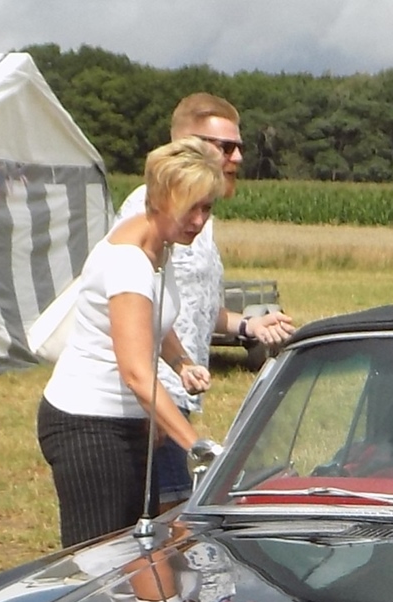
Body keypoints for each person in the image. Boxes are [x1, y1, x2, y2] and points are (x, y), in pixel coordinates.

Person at [37, 136, 226, 548]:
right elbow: (137, 374)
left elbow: (150, 319)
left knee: (138, 553)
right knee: (97, 561)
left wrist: (180, 363)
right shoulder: (128, 263)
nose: (198, 221)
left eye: (207, 208)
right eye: (190, 208)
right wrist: (199, 448)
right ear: (158, 199)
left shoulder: (160, 245)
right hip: (88, 425)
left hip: (128, 423)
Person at [118, 93, 295, 512]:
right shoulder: (152, 213)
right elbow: (132, 313)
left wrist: (249, 326)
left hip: (177, 393)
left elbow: (196, 308)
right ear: (187, 144)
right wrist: (154, 401)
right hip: (153, 399)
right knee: (175, 516)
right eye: (225, 147)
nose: (237, 158)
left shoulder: (199, 219)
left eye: (239, 147)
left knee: (176, 512)